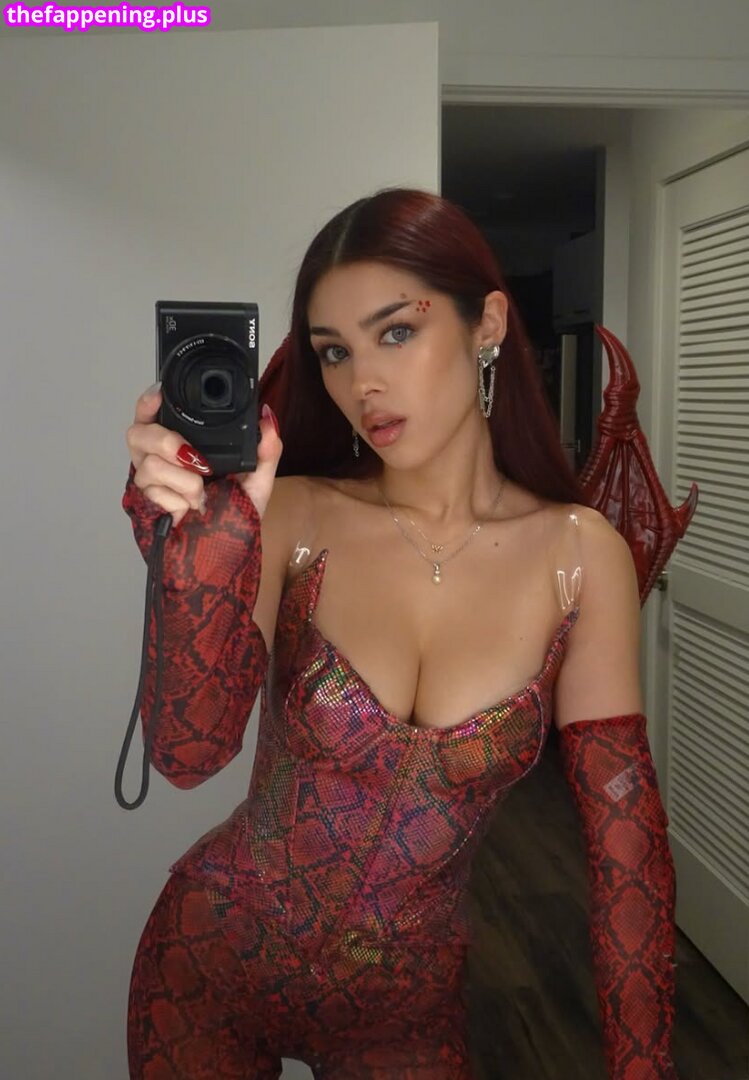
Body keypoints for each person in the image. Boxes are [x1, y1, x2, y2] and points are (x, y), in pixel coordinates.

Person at [122, 187, 678, 1079]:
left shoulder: (579, 557)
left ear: (486, 323)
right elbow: (186, 756)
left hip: (404, 1009)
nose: (362, 384)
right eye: (333, 351)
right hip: (210, 962)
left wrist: (643, 1068)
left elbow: (626, 855)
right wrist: (198, 559)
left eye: (395, 332)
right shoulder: (292, 515)